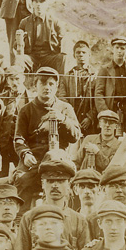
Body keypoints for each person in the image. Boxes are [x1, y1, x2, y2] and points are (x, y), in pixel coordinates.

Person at [13, 67, 82, 208]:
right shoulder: (26, 110)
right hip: (34, 157)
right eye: (43, 83)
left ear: (56, 87)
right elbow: (19, 138)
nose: (47, 88)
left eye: (51, 84)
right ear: (35, 86)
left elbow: (75, 135)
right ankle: (21, 220)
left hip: (59, 156)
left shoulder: (65, 108)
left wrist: (62, 119)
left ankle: (66, 216)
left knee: (71, 182)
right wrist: (25, 154)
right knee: (21, 179)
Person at [13, 157, 91, 250]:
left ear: (69, 185)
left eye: (61, 181)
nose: (55, 185)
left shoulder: (79, 221)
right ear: (42, 184)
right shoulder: (29, 218)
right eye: (50, 181)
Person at [96, 36, 126, 133]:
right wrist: (106, 112)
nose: (119, 51)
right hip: (112, 111)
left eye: (122, 48)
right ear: (112, 50)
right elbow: (98, 94)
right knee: (113, 139)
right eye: (117, 48)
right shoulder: (104, 70)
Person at [19, 0, 67, 74]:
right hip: (32, 57)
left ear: (46, 5)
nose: (38, 5)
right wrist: (20, 42)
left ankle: (61, 84)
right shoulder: (24, 22)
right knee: (19, 58)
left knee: (62, 57)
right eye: (36, 2)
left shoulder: (55, 22)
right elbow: (16, 44)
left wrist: (62, 49)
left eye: (41, 2)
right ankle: (20, 84)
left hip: (49, 57)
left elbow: (63, 41)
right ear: (32, 4)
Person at [59, 39, 99, 135]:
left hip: (90, 120)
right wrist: (71, 117)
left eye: (84, 52)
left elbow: (100, 98)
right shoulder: (66, 76)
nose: (81, 55)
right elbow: (62, 98)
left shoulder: (97, 75)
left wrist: (90, 117)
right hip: (72, 117)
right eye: (78, 52)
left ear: (89, 55)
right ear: (74, 55)